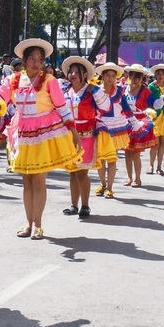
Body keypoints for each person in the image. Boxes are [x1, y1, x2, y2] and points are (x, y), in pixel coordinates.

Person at [0, 39, 82, 239]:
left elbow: (62, 108)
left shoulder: (50, 81)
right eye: (32, 58)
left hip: (43, 133)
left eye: (40, 60)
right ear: (24, 60)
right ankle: (28, 222)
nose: (36, 63)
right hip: (23, 133)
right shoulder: (13, 80)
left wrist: (74, 133)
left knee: (39, 180)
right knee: (27, 181)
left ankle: (38, 225)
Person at [60, 56, 110, 217]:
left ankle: (85, 205)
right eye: (71, 72)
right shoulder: (65, 91)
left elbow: (106, 107)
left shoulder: (92, 90)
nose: (73, 75)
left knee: (81, 172)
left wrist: (97, 92)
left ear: (84, 75)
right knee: (72, 172)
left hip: (86, 136)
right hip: (68, 136)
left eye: (77, 72)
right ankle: (74, 205)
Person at [94, 62, 141, 199]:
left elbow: (126, 109)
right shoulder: (96, 91)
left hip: (116, 127)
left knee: (111, 158)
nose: (110, 78)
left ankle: (110, 187)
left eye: (113, 76)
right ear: (102, 76)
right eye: (107, 75)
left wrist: (135, 123)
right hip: (100, 128)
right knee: (100, 158)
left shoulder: (120, 91)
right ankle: (102, 184)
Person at [122, 64, 156, 187]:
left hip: (139, 123)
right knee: (127, 152)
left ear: (142, 78)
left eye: (138, 77)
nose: (135, 79)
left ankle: (138, 178)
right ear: (129, 76)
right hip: (126, 123)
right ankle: (129, 177)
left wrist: (160, 102)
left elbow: (153, 104)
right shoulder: (124, 89)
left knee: (135, 153)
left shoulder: (145, 91)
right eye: (133, 76)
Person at [147, 64, 164, 175]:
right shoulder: (151, 87)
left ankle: (159, 166)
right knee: (155, 143)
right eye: (158, 74)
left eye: (163, 74)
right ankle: (151, 165)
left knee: (163, 143)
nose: (160, 76)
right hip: (155, 117)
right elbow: (148, 101)